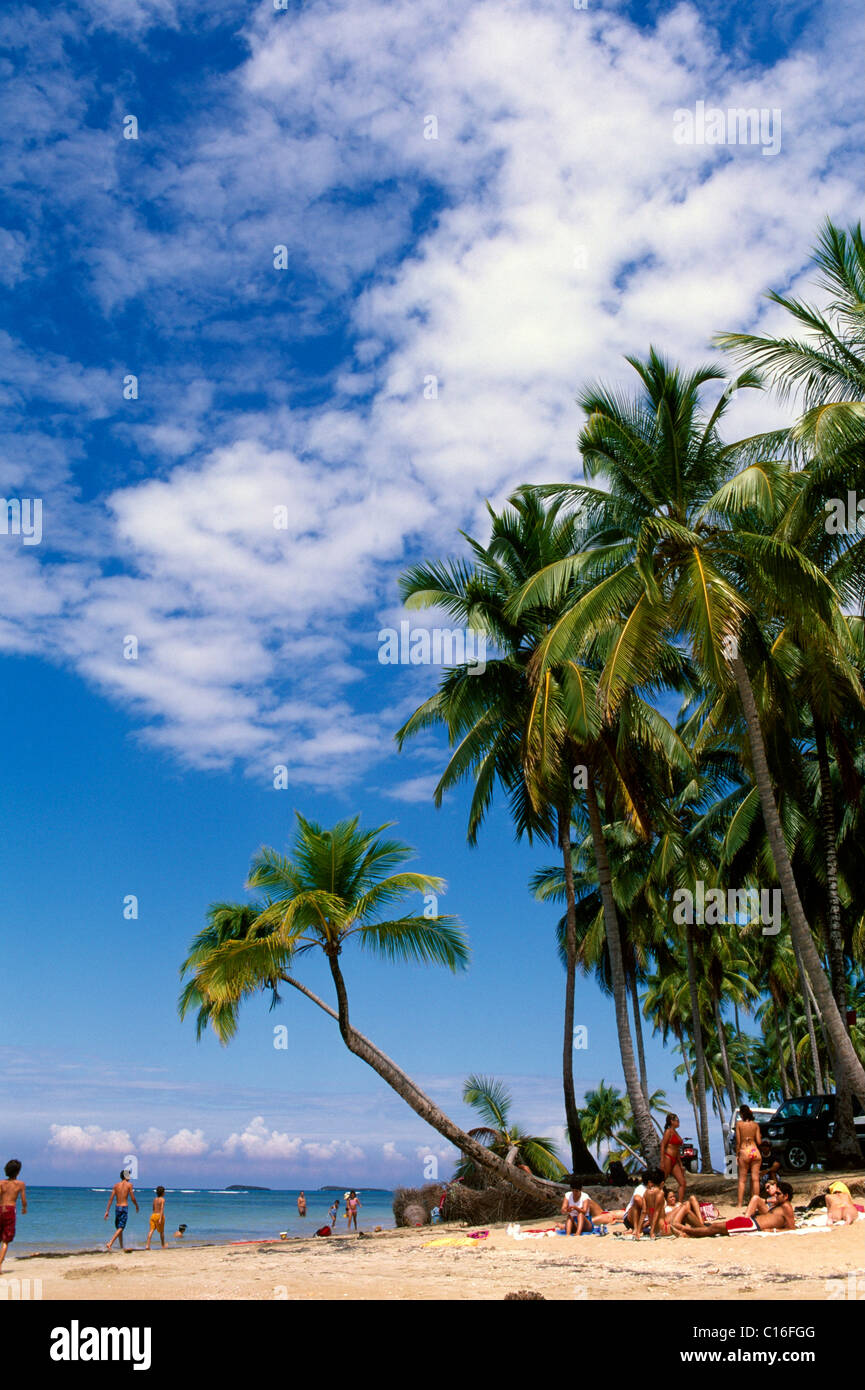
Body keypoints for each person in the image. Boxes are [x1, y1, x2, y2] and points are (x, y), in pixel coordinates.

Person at [674, 1182, 796, 1237]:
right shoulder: (780, 1206)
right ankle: (687, 1231)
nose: (775, 1195)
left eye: (778, 1194)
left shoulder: (786, 1207)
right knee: (716, 1227)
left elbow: (791, 1228)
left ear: (786, 1196)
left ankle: (685, 1230)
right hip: (751, 1223)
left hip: (752, 1226)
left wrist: (774, 1231)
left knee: (715, 1228)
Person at [0, 1159, 27, 1273]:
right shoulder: (20, 1184)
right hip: (11, 1210)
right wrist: (24, 1208)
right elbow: (23, 1200)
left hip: (0, 1209)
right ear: (18, 1171)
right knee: (6, 1241)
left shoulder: (1, 1183)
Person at [735, 1105, 763, 1208]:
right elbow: (759, 1142)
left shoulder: (739, 1124)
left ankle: (739, 1203)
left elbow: (738, 1142)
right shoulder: (755, 1125)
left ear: (741, 1114)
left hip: (744, 1150)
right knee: (755, 1178)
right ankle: (756, 1202)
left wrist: (737, 1154)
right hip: (754, 1150)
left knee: (742, 1180)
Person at [104, 1170, 139, 1251]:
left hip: (117, 1207)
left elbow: (110, 1199)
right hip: (124, 1207)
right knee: (121, 1227)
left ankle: (121, 1246)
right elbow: (132, 1198)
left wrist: (107, 1211)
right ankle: (110, 1243)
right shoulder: (129, 1185)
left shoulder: (116, 1185)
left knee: (119, 1227)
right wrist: (136, 1206)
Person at [660, 1114, 686, 1201]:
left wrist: (680, 1163)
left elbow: (677, 1150)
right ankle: (656, 1201)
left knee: (682, 1183)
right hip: (668, 1157)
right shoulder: (668, 1131)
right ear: (672, 1121)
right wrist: (662, 1161)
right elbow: (663, 1145)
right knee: (662, 1181)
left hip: (675, 1160)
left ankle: (679, 1204)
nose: (679, 1122)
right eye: (677, 1120)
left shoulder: (675, 1132)